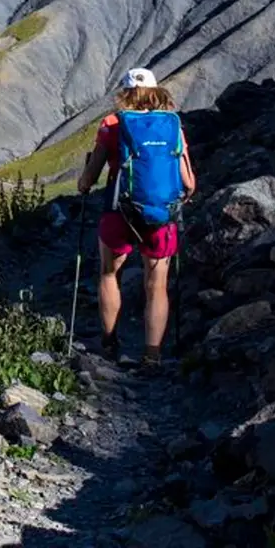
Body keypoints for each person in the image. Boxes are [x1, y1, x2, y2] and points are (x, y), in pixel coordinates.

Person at [77, 66, 196, 369]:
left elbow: (90, 176)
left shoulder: (112, 123)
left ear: (125, 93)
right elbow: (189, 183)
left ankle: (109, 344)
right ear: (155, 91)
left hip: (120, 211)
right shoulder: (172, 126)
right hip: (160, 215)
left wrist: (85, 182)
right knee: (156, 284)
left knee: (108, 274)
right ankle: (152, 354)